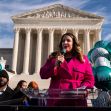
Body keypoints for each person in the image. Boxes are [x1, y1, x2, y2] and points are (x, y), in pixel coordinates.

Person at [40, 33, 95, 106]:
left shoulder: (83, 59)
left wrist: (82, 88)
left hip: (77, 98)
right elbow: (43, 74)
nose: (65, 42)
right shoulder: (53, 58)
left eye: (68, 40)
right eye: (63, 41)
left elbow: (90, 79)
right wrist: (55, 66)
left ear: (73, 43)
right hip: (56, 99)